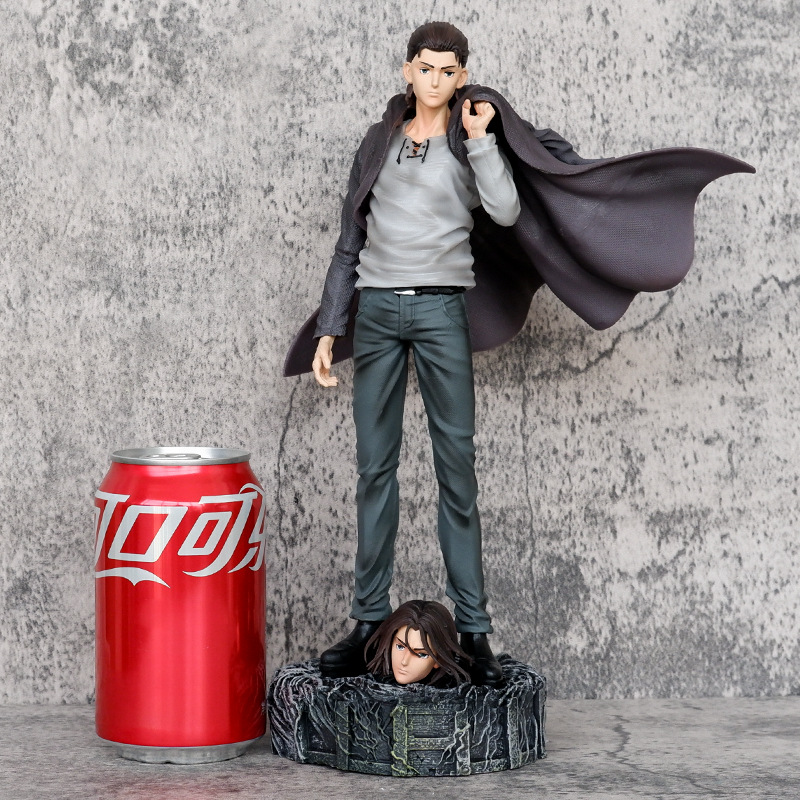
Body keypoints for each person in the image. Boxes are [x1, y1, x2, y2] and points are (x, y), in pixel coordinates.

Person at [313, 21, 515, 686]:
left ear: (462, 77)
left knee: (457, 470)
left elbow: (506, 211)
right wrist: (330, 327)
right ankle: (369, 621)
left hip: (439, 310)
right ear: (408, 70)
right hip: (376, 311)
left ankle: (475, 630)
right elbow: (350, 238)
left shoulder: (466, 139)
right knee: (375, 470)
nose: (435, 80)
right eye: (425, 68)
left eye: (448, 70)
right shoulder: (379, 141)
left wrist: (482, 141)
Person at [365, 600, 472, 686]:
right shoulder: (369, 686)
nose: (404, 661)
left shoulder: (456, 698)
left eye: (421, 654)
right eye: (400, 647)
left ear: (439, 659)